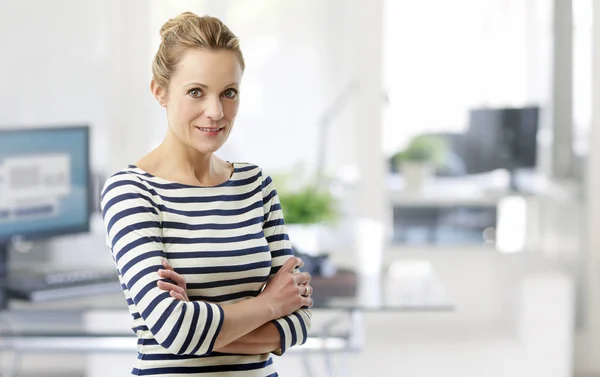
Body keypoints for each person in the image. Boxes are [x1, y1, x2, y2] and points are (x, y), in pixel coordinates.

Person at [100, 12, 313, 376]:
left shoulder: (255, 184)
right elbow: (171, 327)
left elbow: (300, 321)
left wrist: (197, 329)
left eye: (228, 93)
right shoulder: (131, 191)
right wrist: (268, 305)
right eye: (196, 92)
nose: (215, 112)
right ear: (160, 92)